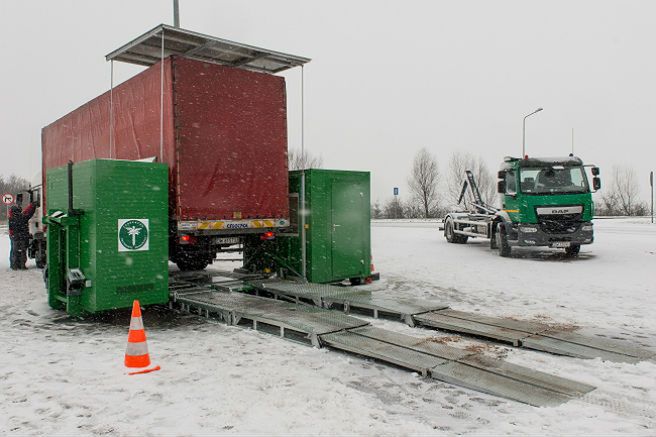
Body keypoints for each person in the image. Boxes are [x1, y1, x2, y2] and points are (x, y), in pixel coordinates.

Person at [8, 202, 36, 270]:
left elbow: (11, 229)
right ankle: (22, 266)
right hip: (23, 237)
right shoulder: (23, 217)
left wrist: (12, 235)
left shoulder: (11, 219)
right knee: (23, 252)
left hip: (15, 238)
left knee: (15, 252)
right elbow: (29, 212)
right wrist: (32, 206)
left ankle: (14, 266)